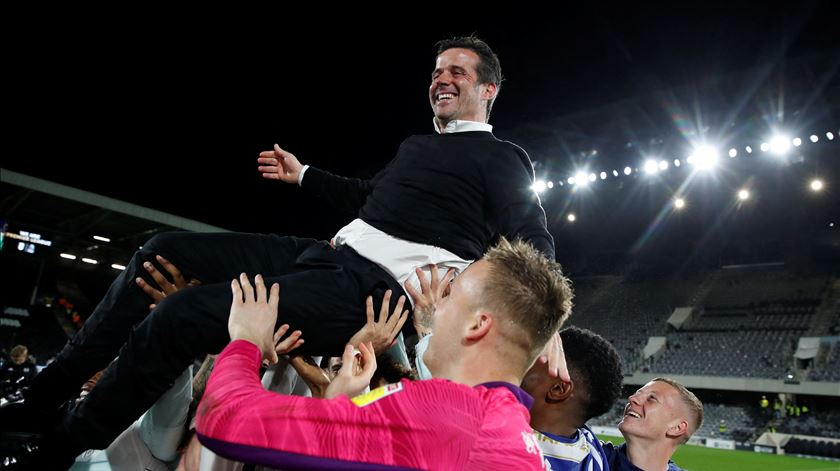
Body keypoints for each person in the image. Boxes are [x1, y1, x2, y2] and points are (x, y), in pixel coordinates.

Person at [4, 36, 556, 469]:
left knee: (185, 314)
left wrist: (548, 326)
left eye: (457, 71)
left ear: (488, 90)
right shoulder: (417, 147)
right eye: (437, 71)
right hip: (324, 253)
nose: (441, 79)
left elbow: (532, 235)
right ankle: (39, 399)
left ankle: (58, 450)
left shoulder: (503, 158)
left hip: (372, 291)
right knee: (160, 250)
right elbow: (368, 196)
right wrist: (305, 175)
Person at [196, 238, 572, 469]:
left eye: (449, 296)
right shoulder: (512, 433)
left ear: (478, 325)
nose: (435, 308)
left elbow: (227, 421)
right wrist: (341, 403)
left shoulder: (446, 415)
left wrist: (244, 342)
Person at [521, 327, 623, 471]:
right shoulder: (591, 451)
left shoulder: (501, 454)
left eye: (530, 360)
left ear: (558, 390)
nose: (516, 365)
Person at [603, 377, 704, 471]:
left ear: (676, 428)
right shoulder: (592, 458)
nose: (632, 398)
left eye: (651, 398)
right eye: (637, 394)